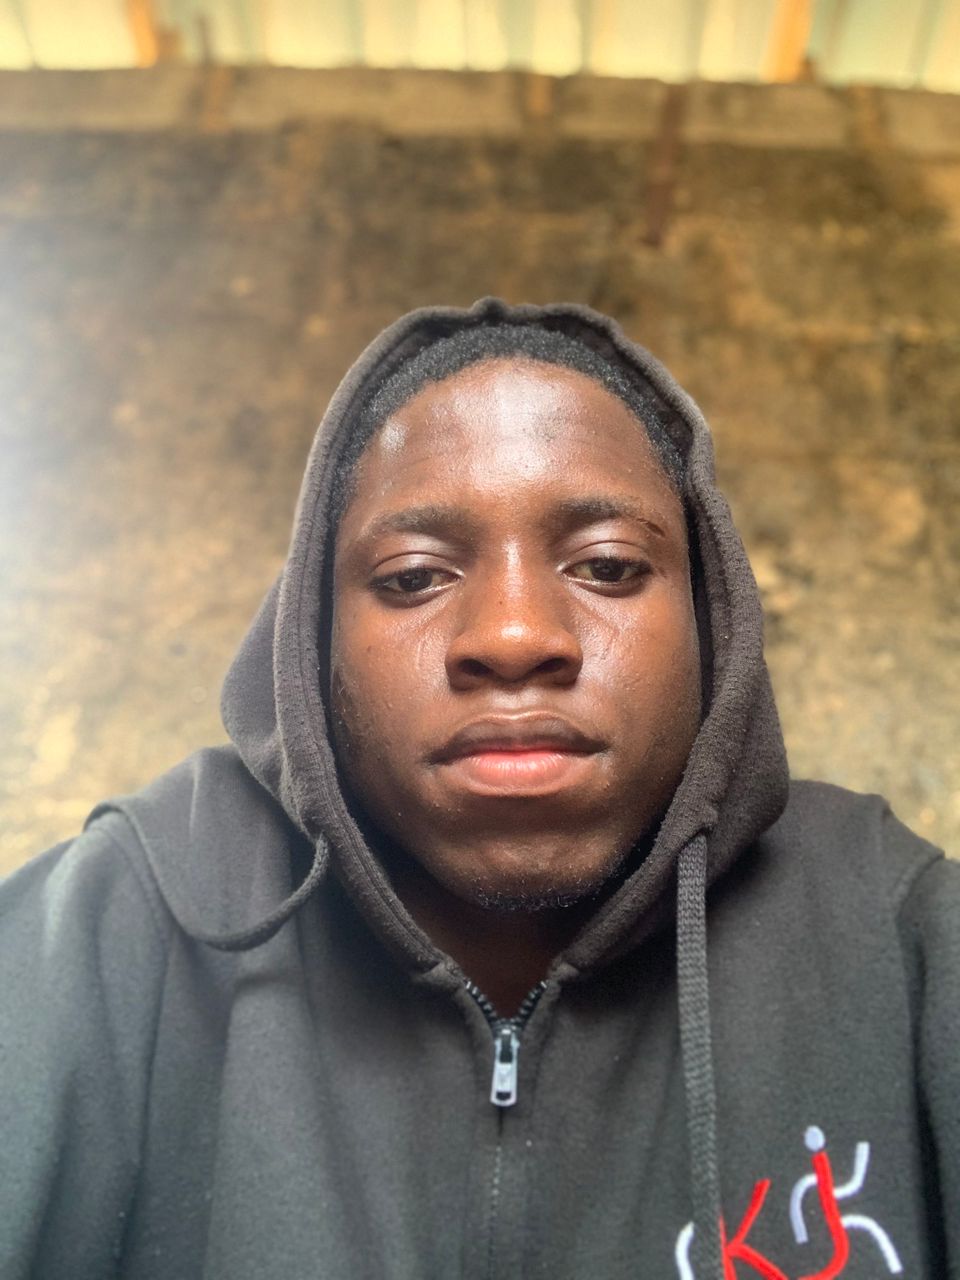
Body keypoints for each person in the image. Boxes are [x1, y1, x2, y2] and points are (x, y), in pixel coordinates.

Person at [0, 297, 956, 1280]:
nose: (512, 635)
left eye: (608, 565)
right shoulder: (127, 917)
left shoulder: (900, 932)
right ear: (314, 640)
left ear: (712, 621)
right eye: (414, 576)